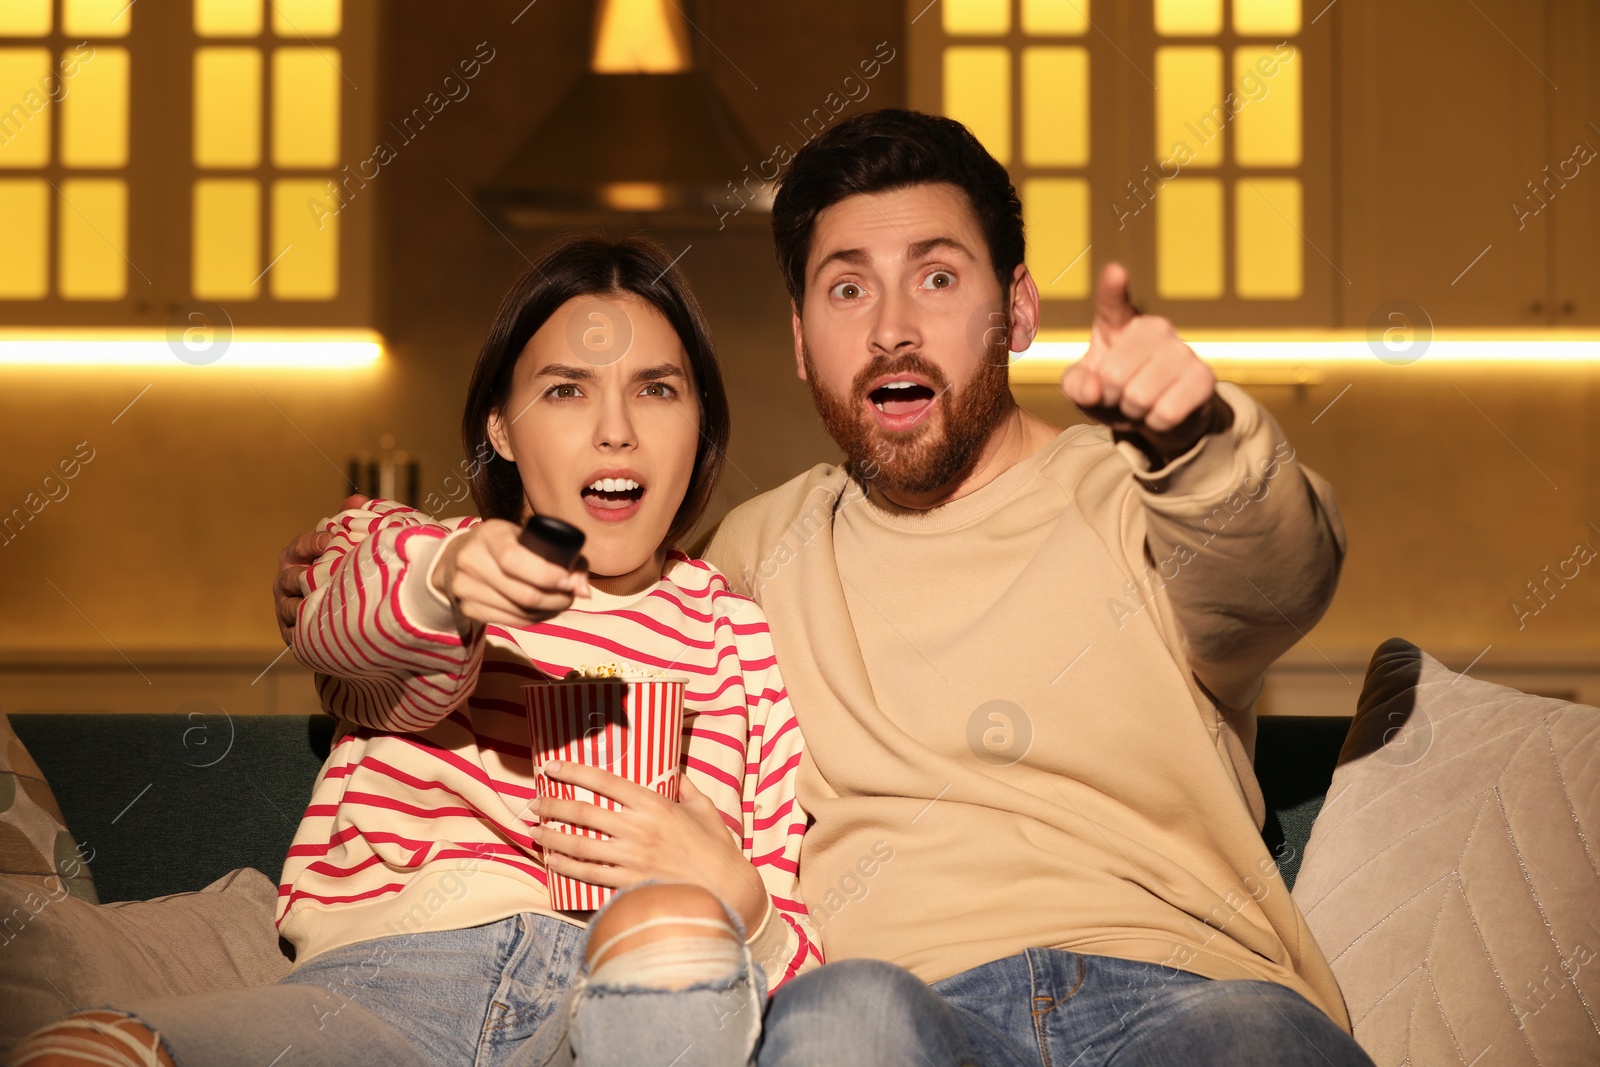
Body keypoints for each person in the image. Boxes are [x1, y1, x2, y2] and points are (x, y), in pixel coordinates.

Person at [272, 110, 1374, 1066]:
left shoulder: (1146, 496)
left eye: (937, 278)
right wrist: (379, 585)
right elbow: (600, 600)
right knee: (839, 1014)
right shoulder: (758, 554)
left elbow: (1277, 572)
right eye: (847, 287)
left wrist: (1196, 441)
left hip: (1190, 997)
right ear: (802, 341)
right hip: (907, 1005)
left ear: (1019, 310)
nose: (891, 324)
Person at [9, 236, 819, 1067]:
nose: (617, 431)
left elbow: (801, 977)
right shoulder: (419, 559)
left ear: (700, 423)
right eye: (567, 391)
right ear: (501, 427)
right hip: (391, 988)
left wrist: (739, 900)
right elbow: (336, 621)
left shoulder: (739, 640)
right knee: (92, 1048)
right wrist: (449, 581)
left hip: (631, 1002)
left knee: (677, 942)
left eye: (656, 389)